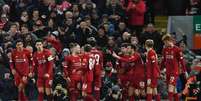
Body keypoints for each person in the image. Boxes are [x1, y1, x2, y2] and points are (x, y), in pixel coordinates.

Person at [161, 34, 188, 101]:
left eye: (165, 42)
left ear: (170, 41)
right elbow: (163, 61)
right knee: (174, 90)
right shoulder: (165, 49)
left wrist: (185, 71)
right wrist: (160, 70)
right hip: (167, 72)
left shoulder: (177, 49)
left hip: (174, 72)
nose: (165, 44)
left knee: (170, 88)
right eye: (164, 42)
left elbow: (182, 62)